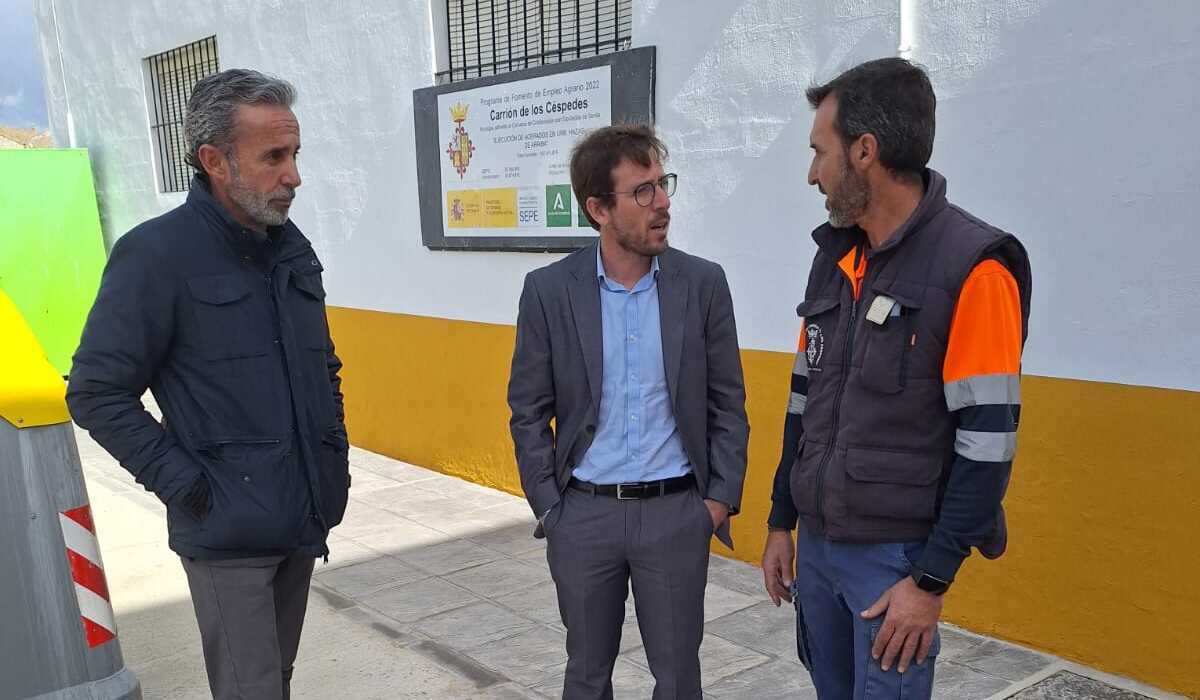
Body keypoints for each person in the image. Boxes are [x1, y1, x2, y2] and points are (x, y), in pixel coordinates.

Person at [67, 69, 349, 700]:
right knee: (249, 691)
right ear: (214, 160)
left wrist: (333, 462)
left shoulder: (291, 248)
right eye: (274, 157)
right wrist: (191, 489)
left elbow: (322, 367)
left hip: (303, 515)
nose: (294, 175)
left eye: (295, 154)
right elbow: (95, 391)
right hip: (227, 534)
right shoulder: (157, 255)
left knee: (272, 682)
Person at [761, 57, 1032, 699]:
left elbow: (987, 444)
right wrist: (781, 520)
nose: (811, 174)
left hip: (895, 567)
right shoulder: (833, 261)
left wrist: (930, 583)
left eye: (818, 152)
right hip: (821, 549)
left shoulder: (975, 269)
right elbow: (804, 402)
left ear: (864, 152)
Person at [507, 124, 749, 699]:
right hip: (584, 516)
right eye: (642, 191)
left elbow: (728, 402)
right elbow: (527, 409)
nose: (662, 202)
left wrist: (715, 502)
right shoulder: (549, 290)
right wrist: (551, 505)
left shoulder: (703, 283)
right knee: (587, 675)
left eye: (662, 185)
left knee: (678, 676)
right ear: (598, 209)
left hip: (675, 513)